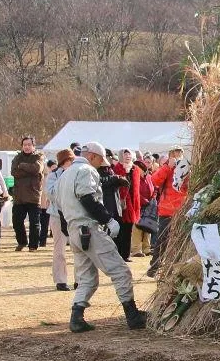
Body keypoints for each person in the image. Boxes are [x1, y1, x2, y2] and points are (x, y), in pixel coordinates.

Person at [55, 141, 146, 332]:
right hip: (88, 228)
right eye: (99, 160)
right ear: (92, 156)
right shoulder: (86, 171)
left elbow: (61, 207)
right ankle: (132, 315)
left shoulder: (65, 175)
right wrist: (108, 220)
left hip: (74, 230)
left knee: (87, 277)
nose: (101, 165)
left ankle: (77, 316)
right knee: (120, 271)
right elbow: (87, 198)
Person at [147, 147, 188, 277]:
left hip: (182, 210)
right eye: (175, 153)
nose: (177, 155)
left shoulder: (185, 167)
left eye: (179, 152)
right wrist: (168, 167)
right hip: (167, 210)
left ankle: (174, 267)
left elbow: (188, 186)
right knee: (162, 239)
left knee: (180, 240)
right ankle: (155, 266)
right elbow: (155, 181)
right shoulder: (166, 167)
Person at [46, 149, 75, 291]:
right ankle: (60, 280)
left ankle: (80, 279)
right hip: (57, 215)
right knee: (59, 249)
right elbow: (51, 194)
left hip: (75, 215)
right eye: (69, 161)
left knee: (79, 249)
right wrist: (63, 179)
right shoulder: (53, 175)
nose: (71, 163)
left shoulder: (77, 173)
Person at [10, 136, 45, 251]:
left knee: (34, 223)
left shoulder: (38, 157)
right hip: (19, 196)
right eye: (25, 145)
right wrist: (28, 171)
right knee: (16, 222)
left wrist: (23, 166)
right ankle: (22, 242)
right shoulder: (17, 157)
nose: (27, 147)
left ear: (33, 146)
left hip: (34, 195)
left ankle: (33, 246)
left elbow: (37, 169)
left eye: (29, 144)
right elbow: (14, 172)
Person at [113, 149, 142, 262]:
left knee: (128, 230)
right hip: (121, 204)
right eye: (125, 155)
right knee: (120, 231)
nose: (127, 157)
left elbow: (136, 189)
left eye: (129, 155)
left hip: (132, 204)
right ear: (121, 156)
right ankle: (118, 255)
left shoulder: (135, 169)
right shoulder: (117, 169)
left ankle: (125, 255)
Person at [131, 158, 154, 257]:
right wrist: (144, 201)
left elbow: (154, 188)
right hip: (138, 205)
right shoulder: (134, 178)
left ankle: (147, 248)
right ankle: (136, 250)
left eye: (137, 167)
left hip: (149, 205)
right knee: (137, 227)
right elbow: (134, 192)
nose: (135, 169)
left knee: (148, 226)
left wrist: (153, 198)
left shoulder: (148, 177)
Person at [37, 160, 56, 249]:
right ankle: (42, 241)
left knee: (50, 224)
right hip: (43, 204)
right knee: (43, 224)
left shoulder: (55, 176)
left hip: (50, 204)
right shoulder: (43, 177)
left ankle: (43, 241)